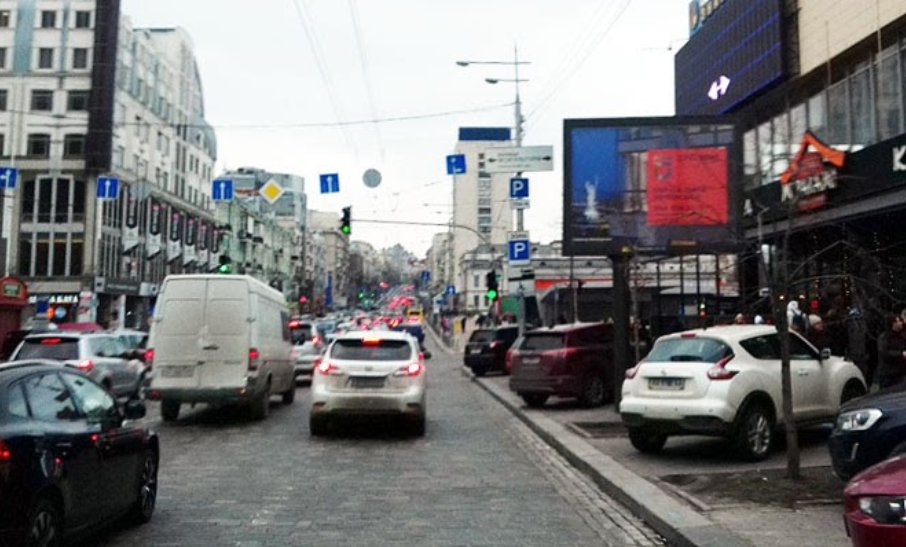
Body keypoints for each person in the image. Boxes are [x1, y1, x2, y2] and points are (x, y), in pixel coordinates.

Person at [877, 314, 906, 389]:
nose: (900, 323)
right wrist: (901, 354)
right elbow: (884, 352)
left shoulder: (902, 336)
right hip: (887, 374)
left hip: (900, 372)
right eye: (897, 321)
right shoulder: (885, 337)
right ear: (892, 324)